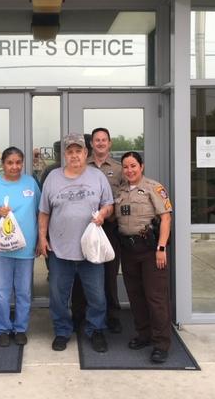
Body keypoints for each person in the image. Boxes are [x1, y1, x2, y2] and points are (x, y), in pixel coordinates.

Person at [37, 133, 114, 353]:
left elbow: (109, 205)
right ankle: (62, 331)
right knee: (58, 297)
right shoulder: (52, 178)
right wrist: (42, 238)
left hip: (91, 250)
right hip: (59, 251)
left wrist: (103, 213)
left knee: (97, 295)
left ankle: (96, 329)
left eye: (78, 151)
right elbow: (44, 212)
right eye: (69, 151)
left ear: (86, 153)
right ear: (64, 155)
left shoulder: (97, 176)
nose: (74, 155)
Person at [115, 151, 173, 363]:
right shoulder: (120, 190)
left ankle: (161, 343)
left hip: (150, 250)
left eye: (133, 166)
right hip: (128, 249)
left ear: (142, 166)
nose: (129, 170)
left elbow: (165, 218)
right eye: (126, 167)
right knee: (136, 296)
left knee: (156, 298)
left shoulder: (153, 188)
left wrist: (161, 248)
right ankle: (144, 334)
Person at [0, 147, 40, 347]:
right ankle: (2, 329)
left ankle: (20, 329)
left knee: (23, 291)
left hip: (25, 248)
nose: (14, 167)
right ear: (3, 164)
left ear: (22, 163)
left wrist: (41, 239)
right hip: (0, 250)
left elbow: (41, 213)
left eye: (18, 162)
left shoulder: (31, 183)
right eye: (10, 163)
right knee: (2, 291)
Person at [71, 127, 124, 334]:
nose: (100, 143)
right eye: (97, 140)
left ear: (110, 143)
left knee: (109, 275)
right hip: (83, 227)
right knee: (80, 273)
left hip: (109, 227)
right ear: (90, 145)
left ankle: (112, 316)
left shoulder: (119, 169)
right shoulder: (83, 166)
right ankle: (78, 315)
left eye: (104, 140)